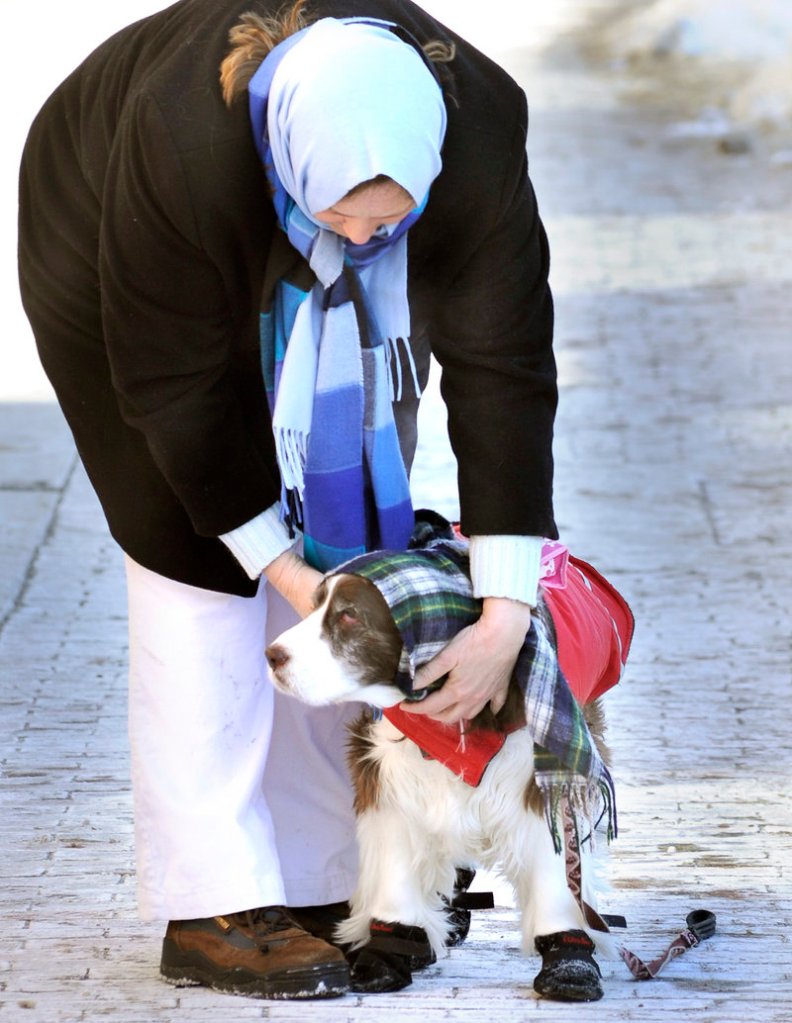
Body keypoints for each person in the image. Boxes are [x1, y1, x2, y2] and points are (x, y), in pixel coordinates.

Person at [18, 0, 557, 1001]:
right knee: (193, 546)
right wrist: (272, 557)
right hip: (110, 233)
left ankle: (322, 878)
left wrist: (505, 606)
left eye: (391, 217)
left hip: (320, 268)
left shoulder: (478, 134)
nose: (363, 236)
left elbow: (505, 367)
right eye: (344, 214)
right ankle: (215, 897)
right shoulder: (182, 148)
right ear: (299, 173)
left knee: (350, 526)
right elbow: (176, 390)